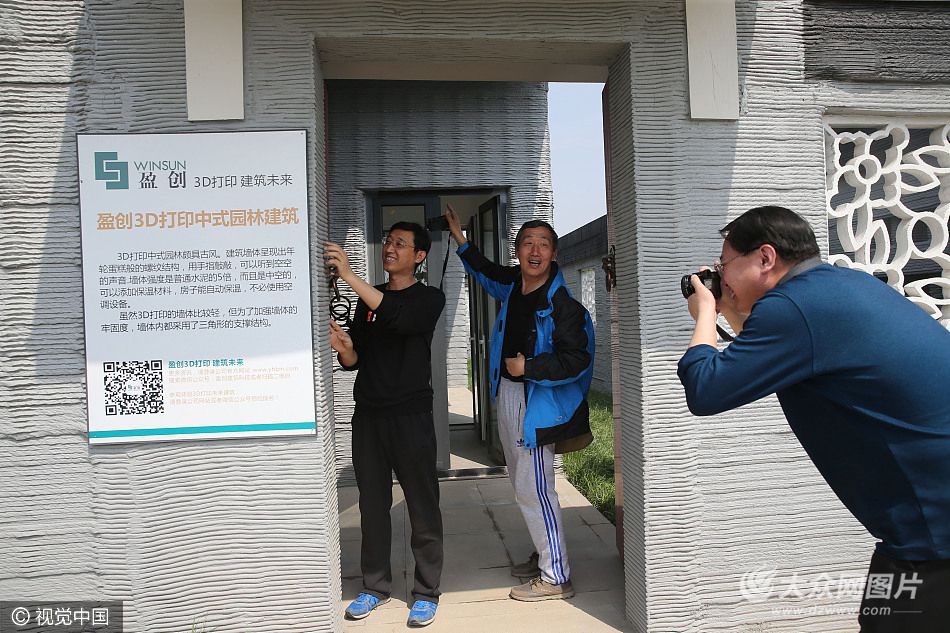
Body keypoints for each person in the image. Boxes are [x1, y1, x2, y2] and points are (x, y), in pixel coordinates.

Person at [679, 205, 950, 633]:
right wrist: (728, 308)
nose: (720, 276)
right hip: (928, 521)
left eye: (724, 264)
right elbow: (763, 353)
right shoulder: (839, 286)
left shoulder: (792, 308)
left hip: (932, 534)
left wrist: (706, 315)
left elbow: (706, 389)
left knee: (888, 621)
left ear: (765, 257)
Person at [445, 205, 595, 601]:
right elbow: (485, 272)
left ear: (554, 254)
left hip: (537, 401)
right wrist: (460, 239)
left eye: (543, 244)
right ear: (517, 251)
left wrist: (527, 367)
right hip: (510, 395)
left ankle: (556, 575)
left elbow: (576, 360)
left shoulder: (563, 306)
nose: (535, 250)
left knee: (536, 489)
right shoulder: (514, 285)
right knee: (522, 483)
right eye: (528, 242)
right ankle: (546, 552)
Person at [325, 222, 446, 628]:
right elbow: (356, 358)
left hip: (411, 417)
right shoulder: (368, 300)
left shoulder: (429, 299)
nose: (390, 248)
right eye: (388, 241)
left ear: (419, 256)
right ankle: (375, 586)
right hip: (369, 417)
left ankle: (426, 592)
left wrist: (348, 275)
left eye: (400, 243)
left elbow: (396, 317)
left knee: (422, 506)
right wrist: (346, 350)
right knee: (372, 505)